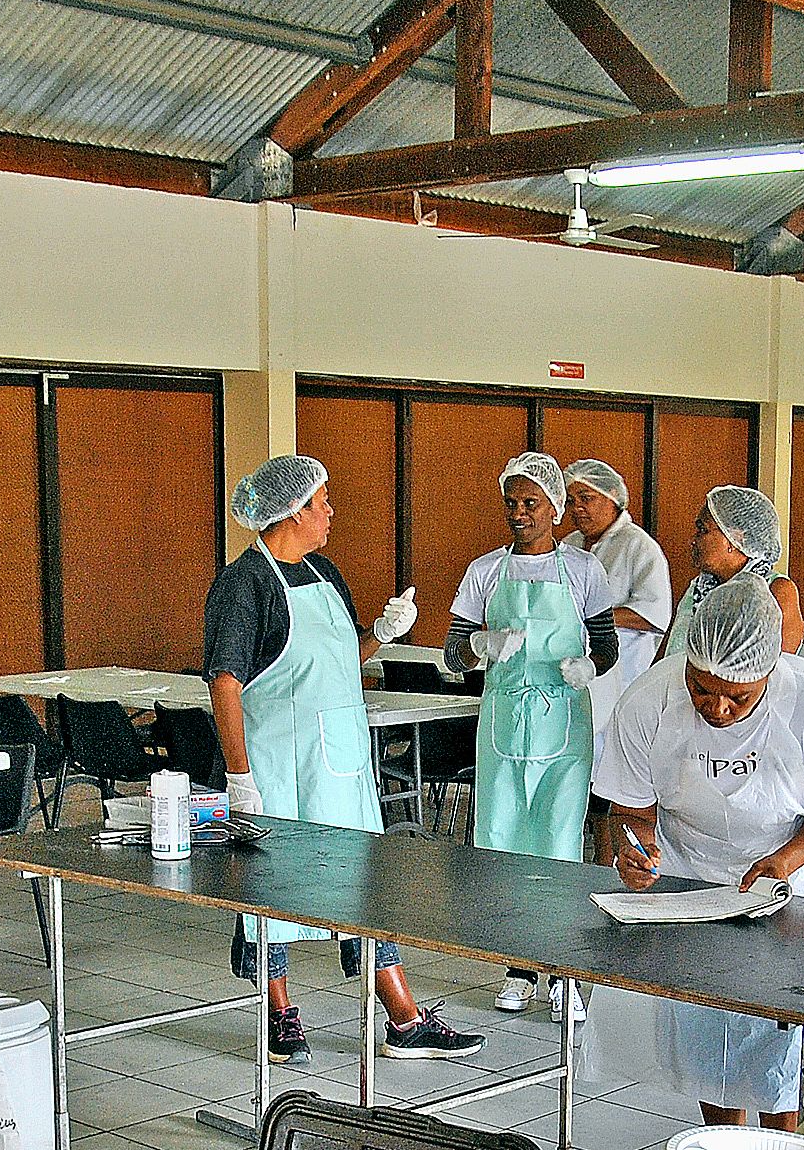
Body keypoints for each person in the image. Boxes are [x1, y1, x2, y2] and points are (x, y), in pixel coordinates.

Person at [205, 452, 482, 1064]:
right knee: (274, 891)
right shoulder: (244, 584)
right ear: (293, 511)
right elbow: (225, 683)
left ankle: (403, 1018)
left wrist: (383, 632)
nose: (331, 512)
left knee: (362, 887)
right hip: (278, 768)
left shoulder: (325, 572)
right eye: (322, 502)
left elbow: (339, 663)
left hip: (343, 766)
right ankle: (281, 1016)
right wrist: (239, 777)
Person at [587, 574, 804, 1130]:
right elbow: (630, 806)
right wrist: (635, 847)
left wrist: (785, 861)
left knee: (782, 1025)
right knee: (705, 1019)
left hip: (797, 871)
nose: (717, 707)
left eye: (738, 696)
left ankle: (779, 1149)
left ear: (770, 671)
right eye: (701, 688)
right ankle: (723, 1140)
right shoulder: (648, 699)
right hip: (692, 869)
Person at [446, 451, 623, 1016]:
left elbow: (608, 645)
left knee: (559, 841)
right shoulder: (484, 572)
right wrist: (480, 647)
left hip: (564, 728)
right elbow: (453, 653)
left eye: (531, 503)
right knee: (502, 842)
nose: (519, 513)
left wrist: (589, 669)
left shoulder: (584, 572)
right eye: (512, 504)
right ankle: (519, 967)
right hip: (502, 728)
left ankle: (565, 970)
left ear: (554, 509)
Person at [561, 458, 674, 713]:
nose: (577, 508)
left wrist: (591, 618)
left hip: (622, 679)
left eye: (586, 498)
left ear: (612, 496)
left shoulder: (638, 546)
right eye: (571, 501)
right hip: (572, 675)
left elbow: (654, 615)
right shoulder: (568, 545)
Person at [666, 484, 804, 664]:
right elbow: (667, 651)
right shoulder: (699, 588)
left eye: (703, 530)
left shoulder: (776, 590)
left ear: (735, 538)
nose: (693, 540)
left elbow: (780, 668)